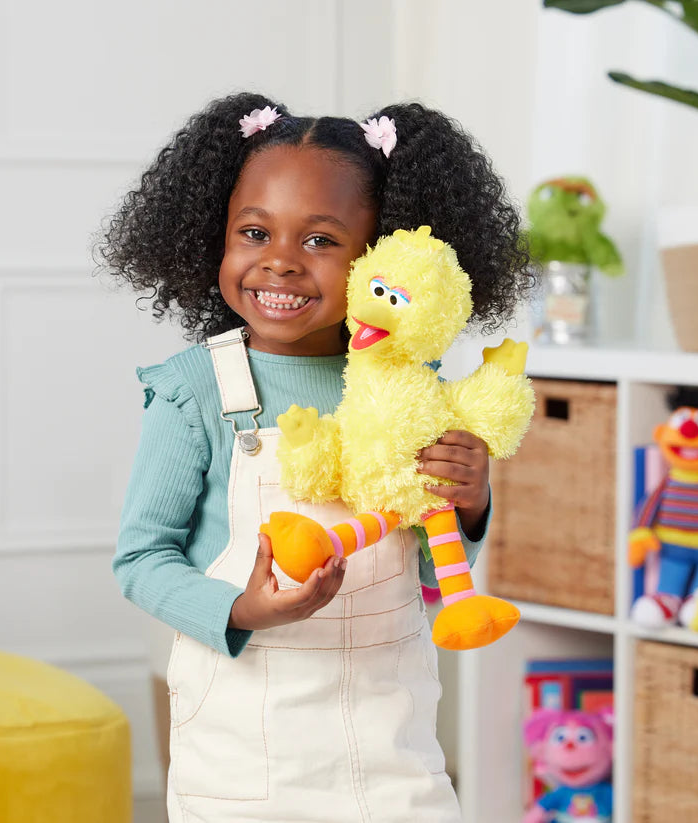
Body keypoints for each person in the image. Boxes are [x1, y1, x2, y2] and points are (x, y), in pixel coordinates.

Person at [99, 91, 533, 823]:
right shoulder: (195, 389)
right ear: (213, 235)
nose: (279, 262)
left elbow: (432, 568)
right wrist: (241, 608)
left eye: (320, 241)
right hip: (246, 749)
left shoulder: (410, 390)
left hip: (389, 742)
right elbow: (142, 559)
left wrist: (470, 500)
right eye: (254, 232)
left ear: (379, 255)